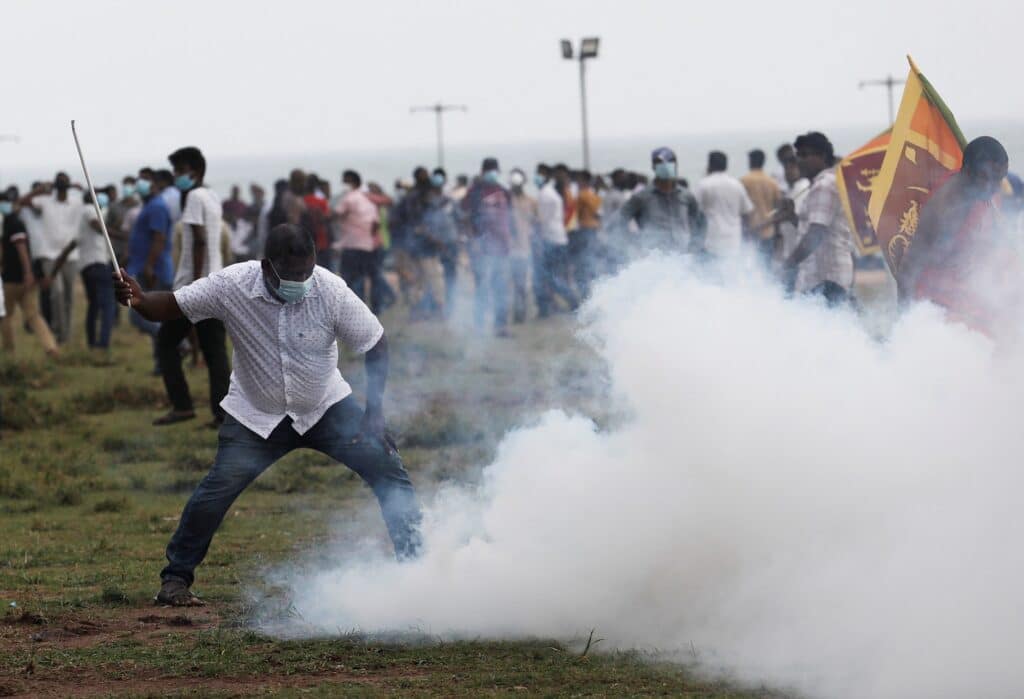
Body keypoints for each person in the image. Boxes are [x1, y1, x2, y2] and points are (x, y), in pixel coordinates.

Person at [113, 223, 421, 606]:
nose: (300, 282)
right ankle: (175, 579)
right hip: (256, 416)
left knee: (388, 470)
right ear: (266, 266)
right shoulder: (231, 286)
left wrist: (374, 413)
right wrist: (140, 299)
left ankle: (417, 570)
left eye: (306, 272)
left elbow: (375, 344)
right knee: (215, 493)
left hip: (325, 407)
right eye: (291, 276)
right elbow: (173, 306)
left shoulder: (331, 291)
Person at [897, 136, 1016, 334]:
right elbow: (910, 266)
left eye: (1000, 178)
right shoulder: (945, 204)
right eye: (988, 178)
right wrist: (907, 318)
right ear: (968, 172)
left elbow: (989, 244)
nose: (995, 186)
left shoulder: (984, 192)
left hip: (969, 297)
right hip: (937, 303)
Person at [155, 146, 230, 427]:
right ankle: (222, 414)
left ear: (194, 171)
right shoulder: (211, 196)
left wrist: (195, 285)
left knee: (166, 344)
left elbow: (198, 240)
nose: (176, 176)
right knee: (215, 353)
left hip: (194, 286)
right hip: (217, 282)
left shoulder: (194, 198)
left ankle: (182, 405)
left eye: (179, 171)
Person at [782, 132, 855, 305]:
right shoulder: (822, 184)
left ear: (822, 156)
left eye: (805, 155)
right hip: (822, 278)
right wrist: (793, 217)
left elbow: (816, 233)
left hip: (825, 278)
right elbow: (814, 228)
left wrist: (788, 264)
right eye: (798, 155)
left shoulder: (824, 185)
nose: (799, 160)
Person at [19, 172, 83, 343]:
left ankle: (65, 335)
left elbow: (93, 202)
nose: (62, 185)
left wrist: (80, 187)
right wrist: (38, 190)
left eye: (65, 182)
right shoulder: (46, 201)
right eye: (59, 182)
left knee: (69, 297)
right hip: (49, 255)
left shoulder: (76, 202)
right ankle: (60, 334)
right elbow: (22, 202)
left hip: (70, 256)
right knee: (57, 294)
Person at [126, 171, 174, 373]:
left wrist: (149, 266)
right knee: (149, 317)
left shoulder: (157, 207)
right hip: (144, 266)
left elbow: (159, 238)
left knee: (141, 316)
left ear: (155, 184)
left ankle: (175, 345)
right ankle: (161, 363)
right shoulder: (149, 206)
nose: (140, 184)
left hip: (154, 271)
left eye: (145, 181)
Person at [0, 189, 59, 356]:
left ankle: (9, 352)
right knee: (33, 315)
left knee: (6, 316)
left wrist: (27, 272)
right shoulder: (13, 222)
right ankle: (50, 347)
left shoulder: (11, 224)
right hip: (22, 279)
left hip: (11, 279)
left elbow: (22, 250)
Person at [614, 147, 704, 254]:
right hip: (654, 260)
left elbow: (700, 221)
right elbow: (620, 220)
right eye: (661, 162)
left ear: (676, 165)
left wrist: (694, 246)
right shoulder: (641, 197)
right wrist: (633, 242)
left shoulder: (686, 195)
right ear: (653, 166)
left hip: (683, 258)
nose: (666, 165)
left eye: (670, 162)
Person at [462, 158, 513, 336]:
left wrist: (510, 240)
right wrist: (473, 241)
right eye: (489, 170)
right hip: (481, 249)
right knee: (482, 287)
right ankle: (479, 326)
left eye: (495, 170)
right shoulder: (475, 192)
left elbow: (509, 219)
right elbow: (466, 218)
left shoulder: (504, 191)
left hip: (502, 248)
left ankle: (501, 326)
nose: (493, 173)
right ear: (483, 171)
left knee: (500, 288)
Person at [534, 163, 579, 317]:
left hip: (551, 239)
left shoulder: (545, 194)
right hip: (558, 238)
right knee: (555, 275)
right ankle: (565, 303)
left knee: (549, 277)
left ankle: (572, 302)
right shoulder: (552, 193)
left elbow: (542, 220)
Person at [693, 151, 754, 261]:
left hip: (712, 242)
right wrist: (747, 239)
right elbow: (747, 213)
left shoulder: (704, 184)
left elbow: (693, 211)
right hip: (734, 242)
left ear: (710, 165)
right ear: (726, 165)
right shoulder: (737, 184)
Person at [333, 170, 381, 309]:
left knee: (350, 279)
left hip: (352, 246)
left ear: (351, 182)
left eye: (344, 181)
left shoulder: (349, 198)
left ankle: (354, 309)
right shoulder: (369, 198)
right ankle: (372, 308)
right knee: (367, 277)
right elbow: (376, 224)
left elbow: (335, 214)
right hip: (368, 246)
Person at [740, 149, 782, 263]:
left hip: (749, 232)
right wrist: (778, 234)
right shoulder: (772, 182)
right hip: (768, 232)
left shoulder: (744, 181)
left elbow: (741, 209)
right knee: (766, 268)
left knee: (750, 268)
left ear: (750, 161)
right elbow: (779, 209)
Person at [508, 168, 537, 323]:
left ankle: (520, 314)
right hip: (509, 249)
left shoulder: (530, 201)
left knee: (521, 284)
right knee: (512, 283)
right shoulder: (506, 200)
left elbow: (536, 222)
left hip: (524, 248)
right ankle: (516, 313)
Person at [573, 170, 602, 297]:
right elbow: (599, 214)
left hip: (584, 230)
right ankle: (594, 291)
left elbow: (576, 215)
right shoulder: (595, 195)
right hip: (594, 230)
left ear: (583, 181)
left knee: (581, 264)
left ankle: (585, 294)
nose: (577, 183)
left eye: (579, 180)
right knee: (591, 262)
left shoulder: (581, 195)